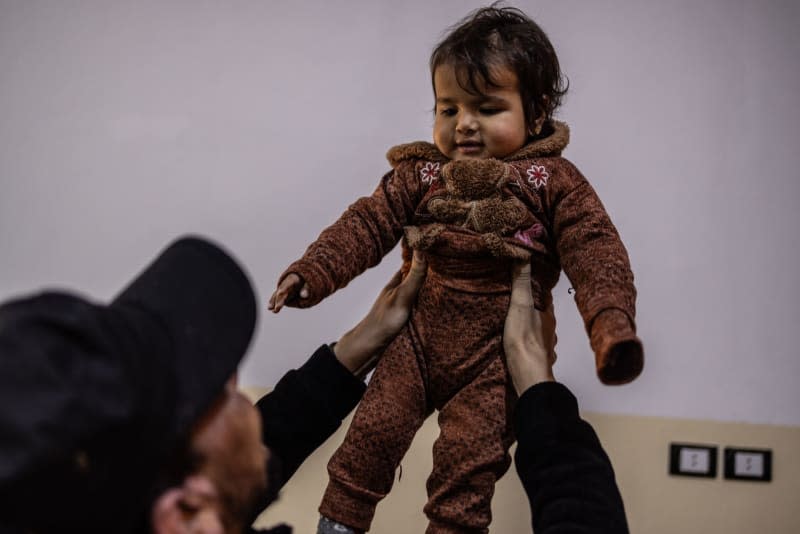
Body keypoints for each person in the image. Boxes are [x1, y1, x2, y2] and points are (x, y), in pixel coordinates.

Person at [268, 5, 643, 533]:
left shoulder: (551, 180)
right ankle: (339, 525)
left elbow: (596, 250)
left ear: (535, 115)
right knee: (371, 436)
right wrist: (314, 271)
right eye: (448, 109)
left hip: (498, 358)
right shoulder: (419, 174)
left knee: (467, 470)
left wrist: (611, 326)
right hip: (416, 339)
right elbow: (368, 223)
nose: (463, 123)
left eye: (487, 108)